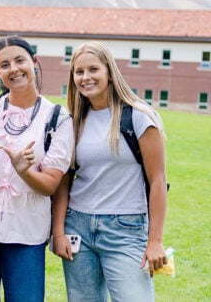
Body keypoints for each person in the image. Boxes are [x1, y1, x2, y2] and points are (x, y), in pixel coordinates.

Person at [0, 35, 73, 302]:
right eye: (4, 65)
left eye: (20, 60)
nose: (13, 69)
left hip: (25, 231)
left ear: (34, 62)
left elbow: (50, 185)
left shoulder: (58, 119)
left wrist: (24, 170)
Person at [51, 41, 168, 302]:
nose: (86, 77)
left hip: (125, 228)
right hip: (77, 228)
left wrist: (155, 241)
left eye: (93, 69)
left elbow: (158, 181)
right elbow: (64, 181)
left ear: (109, 72)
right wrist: (58, 232)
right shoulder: (73, 121)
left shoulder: (139, 116)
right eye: (79, 72)